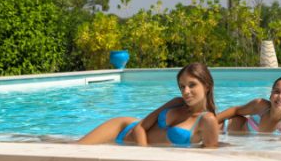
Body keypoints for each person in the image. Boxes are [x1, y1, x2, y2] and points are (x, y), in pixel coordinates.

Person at [78, 62, 220, 148]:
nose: (186, 91)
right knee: (74, 149)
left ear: (207, 86)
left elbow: (209, 155)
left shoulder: (208, 121)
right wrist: (145, 154)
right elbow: (140, 127)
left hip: (131, 143)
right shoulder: (177, 103)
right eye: (182, 87)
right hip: (122, 127)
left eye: (192, 85)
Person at [216, 76, 281, 137]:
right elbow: (235, 110)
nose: (280, 96)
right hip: (228, 129)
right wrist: (213, 121)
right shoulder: (260, 105)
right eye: (276, 92)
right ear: (271, 95)